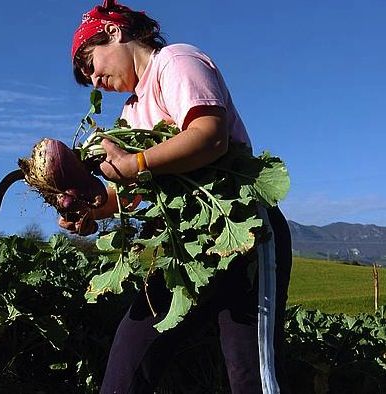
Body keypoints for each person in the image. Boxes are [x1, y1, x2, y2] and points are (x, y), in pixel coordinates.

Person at [60, 1, 293, 393]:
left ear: (114, 33)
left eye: (91, 64)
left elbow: (209, 134)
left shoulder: (175, 61)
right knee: (129, 358)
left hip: (241, 233)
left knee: (249, 372)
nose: (95, 80)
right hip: (185, 248)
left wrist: (136, 163)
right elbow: (127, 194)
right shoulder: (131, 116)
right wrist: (90, 211)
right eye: (87, 77)